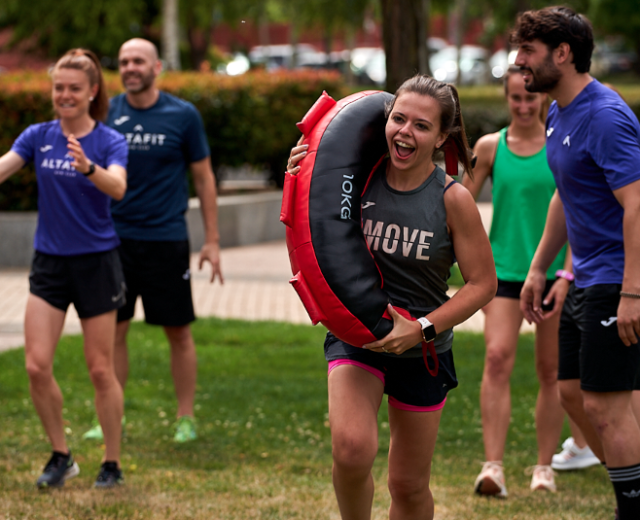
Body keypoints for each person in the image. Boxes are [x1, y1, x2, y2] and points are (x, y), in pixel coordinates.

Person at [288, 75, 497, 520]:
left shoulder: (452, 199)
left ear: (441, 137)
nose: (405, 132)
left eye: (421, 126)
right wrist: (301, 174)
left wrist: (420, 329)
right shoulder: (356, 179)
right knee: (350, 449)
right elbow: (314, 232)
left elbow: (483, 284)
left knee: (407, 484)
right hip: (358, 336)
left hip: (424, 348)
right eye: (398, 119)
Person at [515, 7, 640, 519]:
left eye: (528, 51)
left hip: (616, 278)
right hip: (584, 276)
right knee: (571, 392)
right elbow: (566, 194)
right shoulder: (559, 111)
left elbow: (637, 204)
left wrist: (634, 290)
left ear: (562, 54)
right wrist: (540, 267)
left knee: (605, 407)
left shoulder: (605, 116)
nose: (519, 62)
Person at [82, 38, 223, 444]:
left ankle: (185, 417)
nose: (130, 67)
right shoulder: (105, 114)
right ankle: (111, 416)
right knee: (114, 331)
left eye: (138, 60)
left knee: (178, 332)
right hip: (113, 242)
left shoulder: (183, 115)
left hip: (166, 239)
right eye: (124, 61)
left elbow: (204, 179)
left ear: (156, 66)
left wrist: (212, 240)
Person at [464, 65, 595, 496]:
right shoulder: (489, 148)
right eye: (515, 98)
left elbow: (580, 215)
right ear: (506, 98)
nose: (523, 105)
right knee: (497, 359)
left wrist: (567, 274)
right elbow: (455, 208)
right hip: (502, 277)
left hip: (553, 277)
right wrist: (471, 278)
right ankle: (492, 468)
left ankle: (543, 468)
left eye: (530, 97)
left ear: (543, 98)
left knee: (550, 371)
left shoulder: (562, 145)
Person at [0, 49, 127, 488]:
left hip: (96, 262)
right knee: (36, 366)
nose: (65, 96)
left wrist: (88, 168)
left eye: (74, 89)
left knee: (99, 369)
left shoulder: (109, 140)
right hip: (50, 263)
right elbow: (5, 167)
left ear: (92, 92)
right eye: (59, 88)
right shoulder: (38, 135)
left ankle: (112, 463)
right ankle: (61, 455)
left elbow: (118, 187)